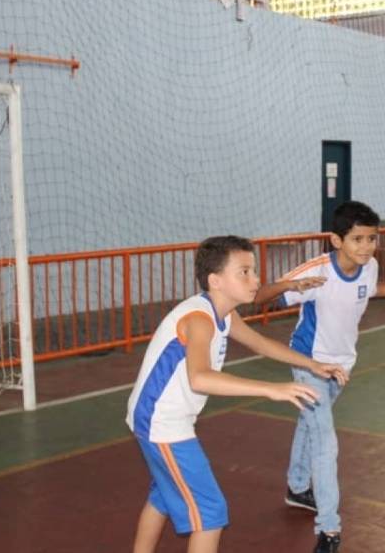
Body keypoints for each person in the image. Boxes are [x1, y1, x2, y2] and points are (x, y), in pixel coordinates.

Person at [127, 235, 349, 553]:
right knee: (211, 514)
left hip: (158, 416)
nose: (256, 279)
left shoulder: (224, 313)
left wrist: (313, 364)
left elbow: (260, 343)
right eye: (244, 272)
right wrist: (271, 389)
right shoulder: (199, 320)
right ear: (215, 280)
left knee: (163, 495)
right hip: (161, 422)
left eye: (254, 270)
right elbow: (200, 379)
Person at [255, 201, 385, 553]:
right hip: (309, 363)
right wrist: (290, 285)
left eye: (372, 238)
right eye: (357, 239)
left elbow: (370, 289)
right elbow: (259, 297)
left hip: (343, 366)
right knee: (325, 442)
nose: (366, 246)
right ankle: (329, 530)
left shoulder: (368, 265)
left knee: (309, 425)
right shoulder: (318, 271)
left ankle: (298, 487)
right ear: (336, 240)